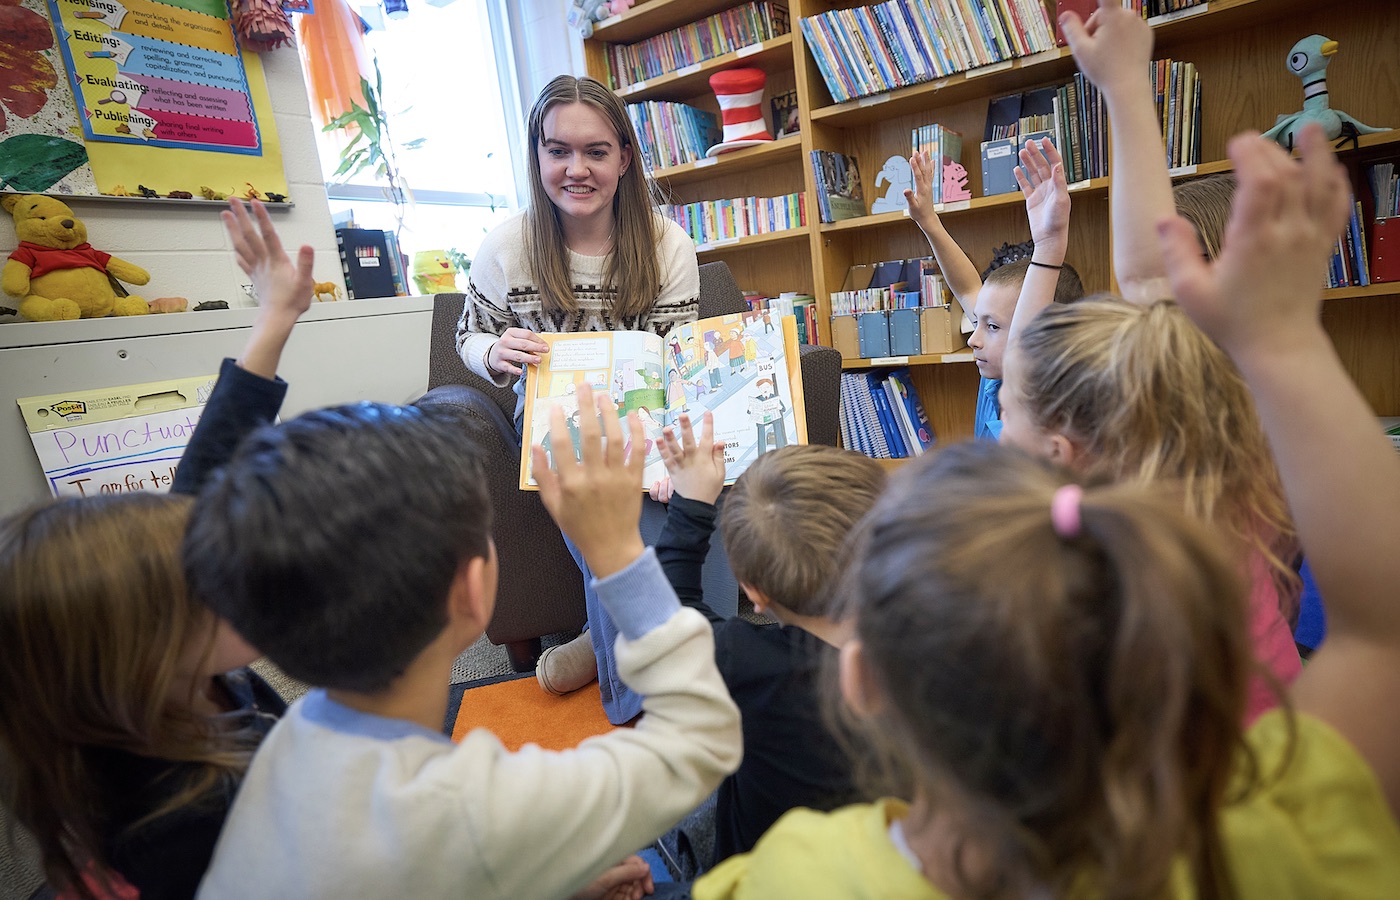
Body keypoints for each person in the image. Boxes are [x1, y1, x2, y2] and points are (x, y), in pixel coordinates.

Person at [694, 122, 1400, 899]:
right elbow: (1381, 632)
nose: (981, 338)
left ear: (861, 684)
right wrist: (1286, 341)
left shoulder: (796, 875)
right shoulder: (1263, 848)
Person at [186, 383, 741, 899]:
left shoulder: (276, 745)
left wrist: (541, 878)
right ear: (473, 594)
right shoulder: (481, 807)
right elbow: (706, 738)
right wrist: (616, 552)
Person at [0, 198, 313, 900]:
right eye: (208, 578)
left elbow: (201, 480)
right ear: (141, 650)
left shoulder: (158, 684)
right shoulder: (185, 827)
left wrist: (273, 320)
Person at [999, 0, 1301, 722]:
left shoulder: (1098, 550)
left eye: (1011, 405)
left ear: (1063, 451)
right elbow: (1147, 283)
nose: (1004, 397)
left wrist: (1126, 88)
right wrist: (1126, 88)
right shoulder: (1211, 455)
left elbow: (1143, 285)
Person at [454, 73, 701, 722]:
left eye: (595, 151)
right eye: (558, 150)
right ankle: (635, 705)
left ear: (624, 157)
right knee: (616, 535)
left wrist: (669, 451)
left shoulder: (668, 244)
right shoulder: (506, 246)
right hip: (556, 424)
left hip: (647, 418)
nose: (576, 168)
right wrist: (493, 352)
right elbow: (468, 337)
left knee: (684, 518)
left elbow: (679, 361)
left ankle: (616, 647)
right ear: (536, 156)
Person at [648, 420, 882, 878]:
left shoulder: (743, 662)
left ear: (753, 593)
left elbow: (666, 615)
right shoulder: (936, 635)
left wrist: (691, 505)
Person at [905, 137, 1084, 440]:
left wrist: (1049, 247)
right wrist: (928, 221)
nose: (974, 339)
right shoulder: (993, 373)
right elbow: (966, 288)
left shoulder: (1044, 399)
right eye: (980, 321)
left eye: (992, 326)